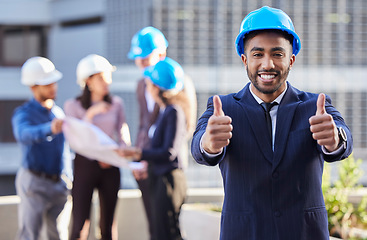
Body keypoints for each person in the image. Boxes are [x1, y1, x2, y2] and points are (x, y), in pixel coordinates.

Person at [191, 6, 353, 240]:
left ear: (291, 59)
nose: (267, 64)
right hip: (245, 233)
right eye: (258, 54)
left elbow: (343, 139)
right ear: (245, 59)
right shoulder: (222, 108)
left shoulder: (315, 105)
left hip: (304, 233)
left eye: (277, 54)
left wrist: (335, 139)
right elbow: (198, 146)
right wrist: (208, 144)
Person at [127, 26, 197, 238]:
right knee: (155, 227)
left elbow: (186, 127)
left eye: (146, 58)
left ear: (161, 54)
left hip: (166, 164)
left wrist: (148, 156)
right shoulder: (141, 85)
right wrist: (139, 160)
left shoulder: (180, 83)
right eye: (138, 59)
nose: (141, 64)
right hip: (147, 165)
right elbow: (144, 125)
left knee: (168, 228)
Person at [118, 57, 189, 240]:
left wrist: (138, 153)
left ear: (157, 88)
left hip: (169, 181)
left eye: (150, 84)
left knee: (168, 234)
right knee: (159, 233)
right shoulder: (164, 111)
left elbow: (169, 152)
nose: (147, 88)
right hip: (159, 178)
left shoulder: (174, 111)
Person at [64, 54, 131, 240]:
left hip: (110, 165)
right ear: (88, 81)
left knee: (108, 226)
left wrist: (124, 149)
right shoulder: (72, 106)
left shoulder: (116, 104)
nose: (107, 81)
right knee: (80, 225)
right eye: (101, 77)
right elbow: (78, 137)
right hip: (85, 165)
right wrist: (92, 113)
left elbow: (122, 129)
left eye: (108, 76)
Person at [12, 56, 69, 240]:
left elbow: (66, 150)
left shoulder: (58, 113)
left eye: (53, 83)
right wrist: (49, 128)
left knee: (58, 235)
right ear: (33, 87)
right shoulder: (23, 113)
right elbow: (23, 134)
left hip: (59, 185)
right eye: (47, 84)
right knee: (30, 235)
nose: (53, 87)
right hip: (34, 183)